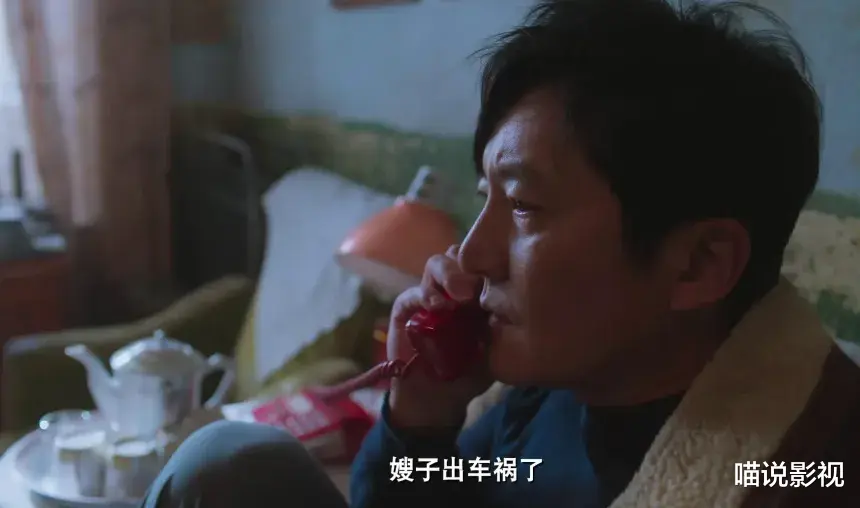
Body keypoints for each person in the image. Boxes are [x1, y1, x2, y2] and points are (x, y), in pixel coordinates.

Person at [140, 1, 860, 507]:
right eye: (486, 197)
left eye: (523, 206)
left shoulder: (804, 467)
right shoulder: (546, 404)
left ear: (699, 264)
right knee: (227, 464)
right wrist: (420, 421)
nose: (471, 255)